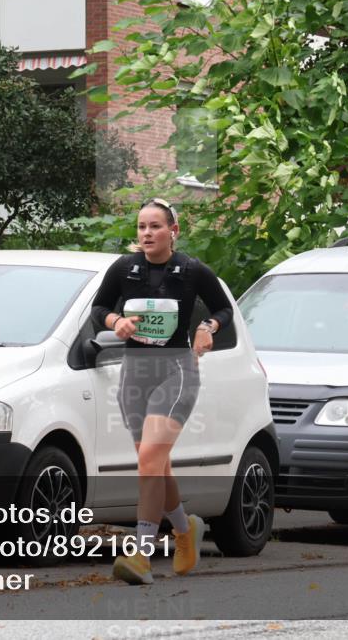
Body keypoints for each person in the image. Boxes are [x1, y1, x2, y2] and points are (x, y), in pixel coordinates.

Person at [90, 198, 233, 585]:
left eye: (155, 226)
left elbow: (223, 310)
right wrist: (114, 320)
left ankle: (141, 554)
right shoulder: (123, 268)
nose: (147, 234)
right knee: (156, 463)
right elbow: (98, 306)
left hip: (177, 371)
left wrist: (207, 329)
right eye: (141, 227)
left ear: (174, 231)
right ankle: (185, 530)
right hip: (135, 373)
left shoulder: (191, 270)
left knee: (151, 458)